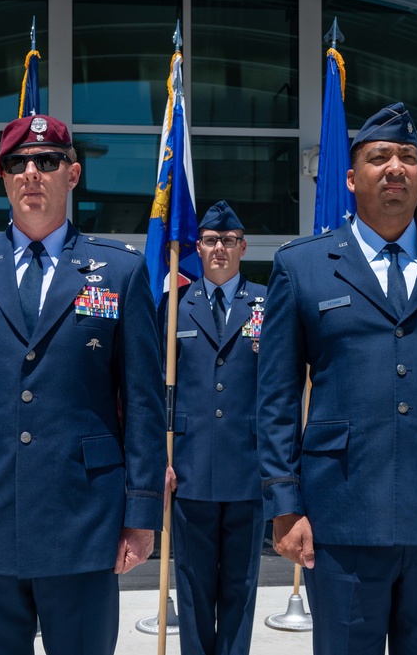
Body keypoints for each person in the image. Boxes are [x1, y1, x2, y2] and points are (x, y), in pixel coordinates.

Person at [256, 102, 417, 655]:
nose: (396, 167)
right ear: (352, 179)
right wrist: (285, 504)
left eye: (408, 156)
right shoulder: (301, 266)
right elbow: (277, 397)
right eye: (380, 157)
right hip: (343, 514)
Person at [0, 114, 167, 655]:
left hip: (84, 518)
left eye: (47, 162)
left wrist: (141, 515)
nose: (32, 173)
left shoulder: (119, 270)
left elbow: (143, 401)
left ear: (71, 175)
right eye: (17, 164)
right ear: (3, 177)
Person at [161, 201, 266, 655]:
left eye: (228, 241)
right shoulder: (173, 304)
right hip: (188, 468)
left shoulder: (268, 302)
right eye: (209, 241)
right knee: (193, 585)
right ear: (197, 249)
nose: (219, 248)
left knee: (241, 587)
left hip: (249, 467)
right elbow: (156, 389)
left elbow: (281, 385)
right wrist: (158, 459)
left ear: (243, 247)